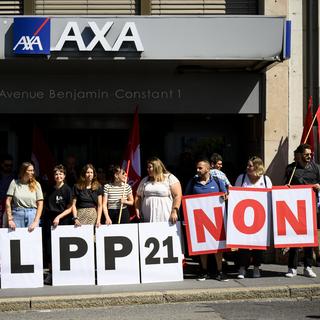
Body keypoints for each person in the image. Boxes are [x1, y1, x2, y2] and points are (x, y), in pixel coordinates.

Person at [185, 158, 228, 281]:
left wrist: (224, 196)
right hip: (199, 218)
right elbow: (186, 199)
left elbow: (225, 195)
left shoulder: (217, 181)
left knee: (218, 247)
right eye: (197, 168)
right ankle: (203, 271)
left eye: (200, 168)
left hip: (215, 219)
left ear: (208, 169)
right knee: (202, 246)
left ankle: (220, 271)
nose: (197, 170)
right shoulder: (193, 182)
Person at [284, 143, 319, 278]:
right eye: (306, 154)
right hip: (295, 208)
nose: (309, 156)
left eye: (311, 154)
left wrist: (318, 186)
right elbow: (286, 186)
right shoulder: (291, 169)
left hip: (310, 208)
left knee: (309, 238)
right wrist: (286, 187)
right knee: (295, 239)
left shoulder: (316, 168)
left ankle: (308, 267)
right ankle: (292, 267)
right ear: (299, 155)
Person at [234, 156, 272, 279]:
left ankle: (256, 267)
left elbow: (271, 197)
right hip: (243, 216)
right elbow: (235, 195)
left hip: (260, 217)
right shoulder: (242, 178)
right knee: (243, 244)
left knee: (258, 244)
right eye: (247, 165)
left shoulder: (266, 180)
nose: (247, 168)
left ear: (257, 167)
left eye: (250, 166)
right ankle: (242, 268)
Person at [43, 164, 73, 285]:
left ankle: (63, 273)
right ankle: (51, 273)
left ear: (64, 176)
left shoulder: (67, 189)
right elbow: (44, 204)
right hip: (49, 220)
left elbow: (70, 208)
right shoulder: (49, 188)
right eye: (56, 174)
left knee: (62, 247)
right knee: (49, 247)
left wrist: (58, 217)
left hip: (63, 220)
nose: (58, 176)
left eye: (60, 173)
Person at [135, 157, 182, 223]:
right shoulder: (145, 180)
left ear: (156, 167)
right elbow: (138, 196)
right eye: (147, 167)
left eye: (150, 167)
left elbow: (177, 196)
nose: (147, 169)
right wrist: (137, 209)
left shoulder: (170, 178)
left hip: (165, 213)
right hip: (147, 214)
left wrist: (174, 211)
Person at [5, 162, 44, 232]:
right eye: (30, 170)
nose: (33, 172)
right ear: (24, 171)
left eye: (33, 170)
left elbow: (40, 204)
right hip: (17, 215)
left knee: (32, 241)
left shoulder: (36, 184)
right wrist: (10, 219)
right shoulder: (14, 183)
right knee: (17, 239)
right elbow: (8, 201)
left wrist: (36, 221)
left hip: (32, 215)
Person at [0, 154, 15, 227]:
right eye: (6, 165)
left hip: (10, 206)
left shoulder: (15, 176)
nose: (9, 167)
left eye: (11, 165)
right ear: (2, 164)